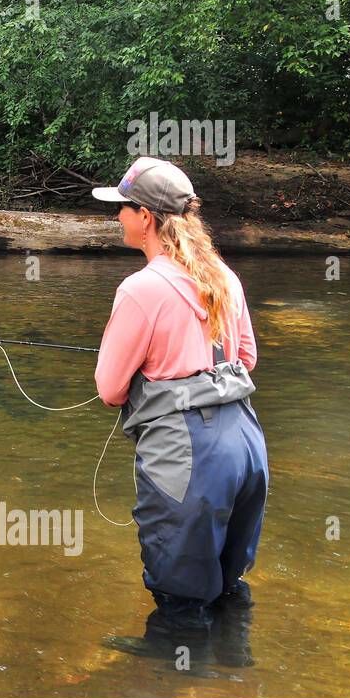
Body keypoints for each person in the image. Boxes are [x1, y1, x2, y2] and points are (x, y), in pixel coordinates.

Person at [91, 157, 269, 664]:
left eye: (121, 209)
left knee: (178, 577)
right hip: (246, 443)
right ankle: (234, 664)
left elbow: (109, 389)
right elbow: (247, 359)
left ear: (145, 216)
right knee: (227, 572)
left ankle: (174, 667)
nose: (117, 218)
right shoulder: (224, 277)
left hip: (187, 451)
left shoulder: (140, 288)